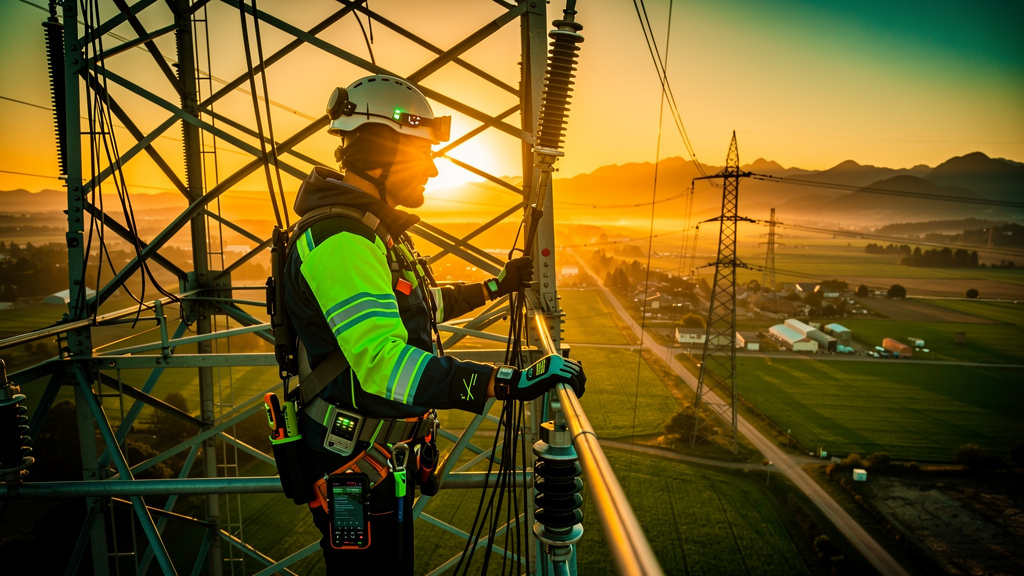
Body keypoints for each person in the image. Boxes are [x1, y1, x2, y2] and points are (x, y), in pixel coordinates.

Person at [281, 74, 586, 573]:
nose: (433, 172)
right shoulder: (341, 240)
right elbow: (383, 364)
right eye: (422, 156)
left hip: (371, 452)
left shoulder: (365, 231)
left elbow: (419, 308)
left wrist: (495, 286)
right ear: (381, 150)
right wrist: (504, 381)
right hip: (354, 457)